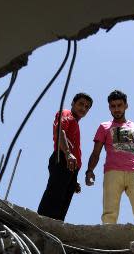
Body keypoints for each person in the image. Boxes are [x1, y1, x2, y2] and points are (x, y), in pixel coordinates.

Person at [85, 90, 134, 225]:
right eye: (113, 106)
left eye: (119, 105)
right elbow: (96, 152)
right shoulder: (104, 127)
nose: (116, 109)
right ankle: (108, 242)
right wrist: (89, 170)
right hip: (112, 172)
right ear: (109, 107)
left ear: (126, 106)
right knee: (109, 212)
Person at [37, 92, 93, 221]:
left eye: (86, 107)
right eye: (80, 104)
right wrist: (67, 153)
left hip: (70, 166)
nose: (83, 108)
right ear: (73, 103)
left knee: (63, 203)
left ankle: (53, 230)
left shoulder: (75, 123)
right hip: (62, 157)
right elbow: (60, 130)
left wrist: (73, 179)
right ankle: (40, 224)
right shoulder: (66, 113)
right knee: (54, 196)